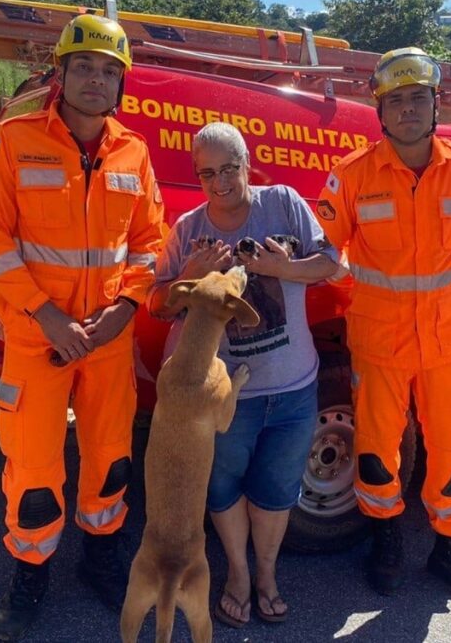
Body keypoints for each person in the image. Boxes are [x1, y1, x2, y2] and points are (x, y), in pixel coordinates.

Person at [0, 14, 166, 641]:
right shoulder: (15, 139)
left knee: (111, 459)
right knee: (33, 469)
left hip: (107, 340)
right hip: (38, 339)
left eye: (109, 70)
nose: (96, 79)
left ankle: (101, 558)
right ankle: (30, 575)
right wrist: (46, 314)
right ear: (61, 72)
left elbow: (150, 243)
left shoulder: (134, 152)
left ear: (121, 83)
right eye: (84, 66)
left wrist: (126, 308)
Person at [315, 47, 451, 610]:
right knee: (376, 450)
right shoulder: (352, 176)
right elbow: (327, 250)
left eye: (419, 97)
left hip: (446, 340)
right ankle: (386, 541)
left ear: (435, 104)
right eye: (396, 100)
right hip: (379, 341)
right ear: (380, 111)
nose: (409, 109)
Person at [148, 122, 338, 627]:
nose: (220, 183)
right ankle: (237, 573)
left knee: (276, 492)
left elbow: (330, 262)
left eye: (229, 169)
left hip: (293, 389)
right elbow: (156, 306)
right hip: (222, 397)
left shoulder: (285, 204)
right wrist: (186, 277)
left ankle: (267, 575)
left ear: (247, 164)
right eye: (207, 174)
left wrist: (283, 269)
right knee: (223, 488)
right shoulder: (187, 228)